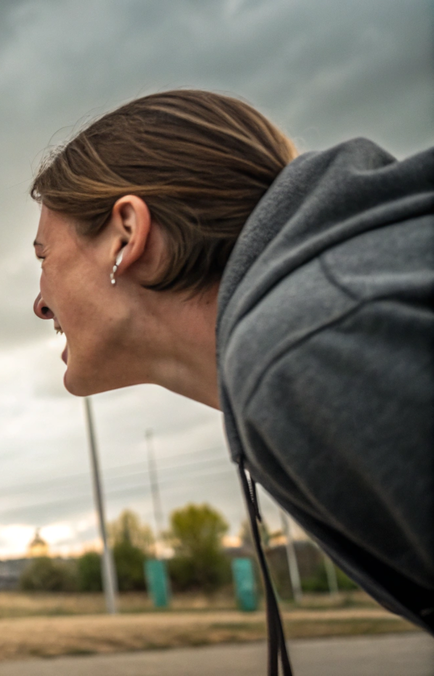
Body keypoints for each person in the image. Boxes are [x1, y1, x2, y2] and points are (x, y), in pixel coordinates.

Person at [28, 89, 433, 668]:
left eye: (44, 256)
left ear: (126, 233)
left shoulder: (309, 346)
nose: (40, 304)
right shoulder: (327, 309)